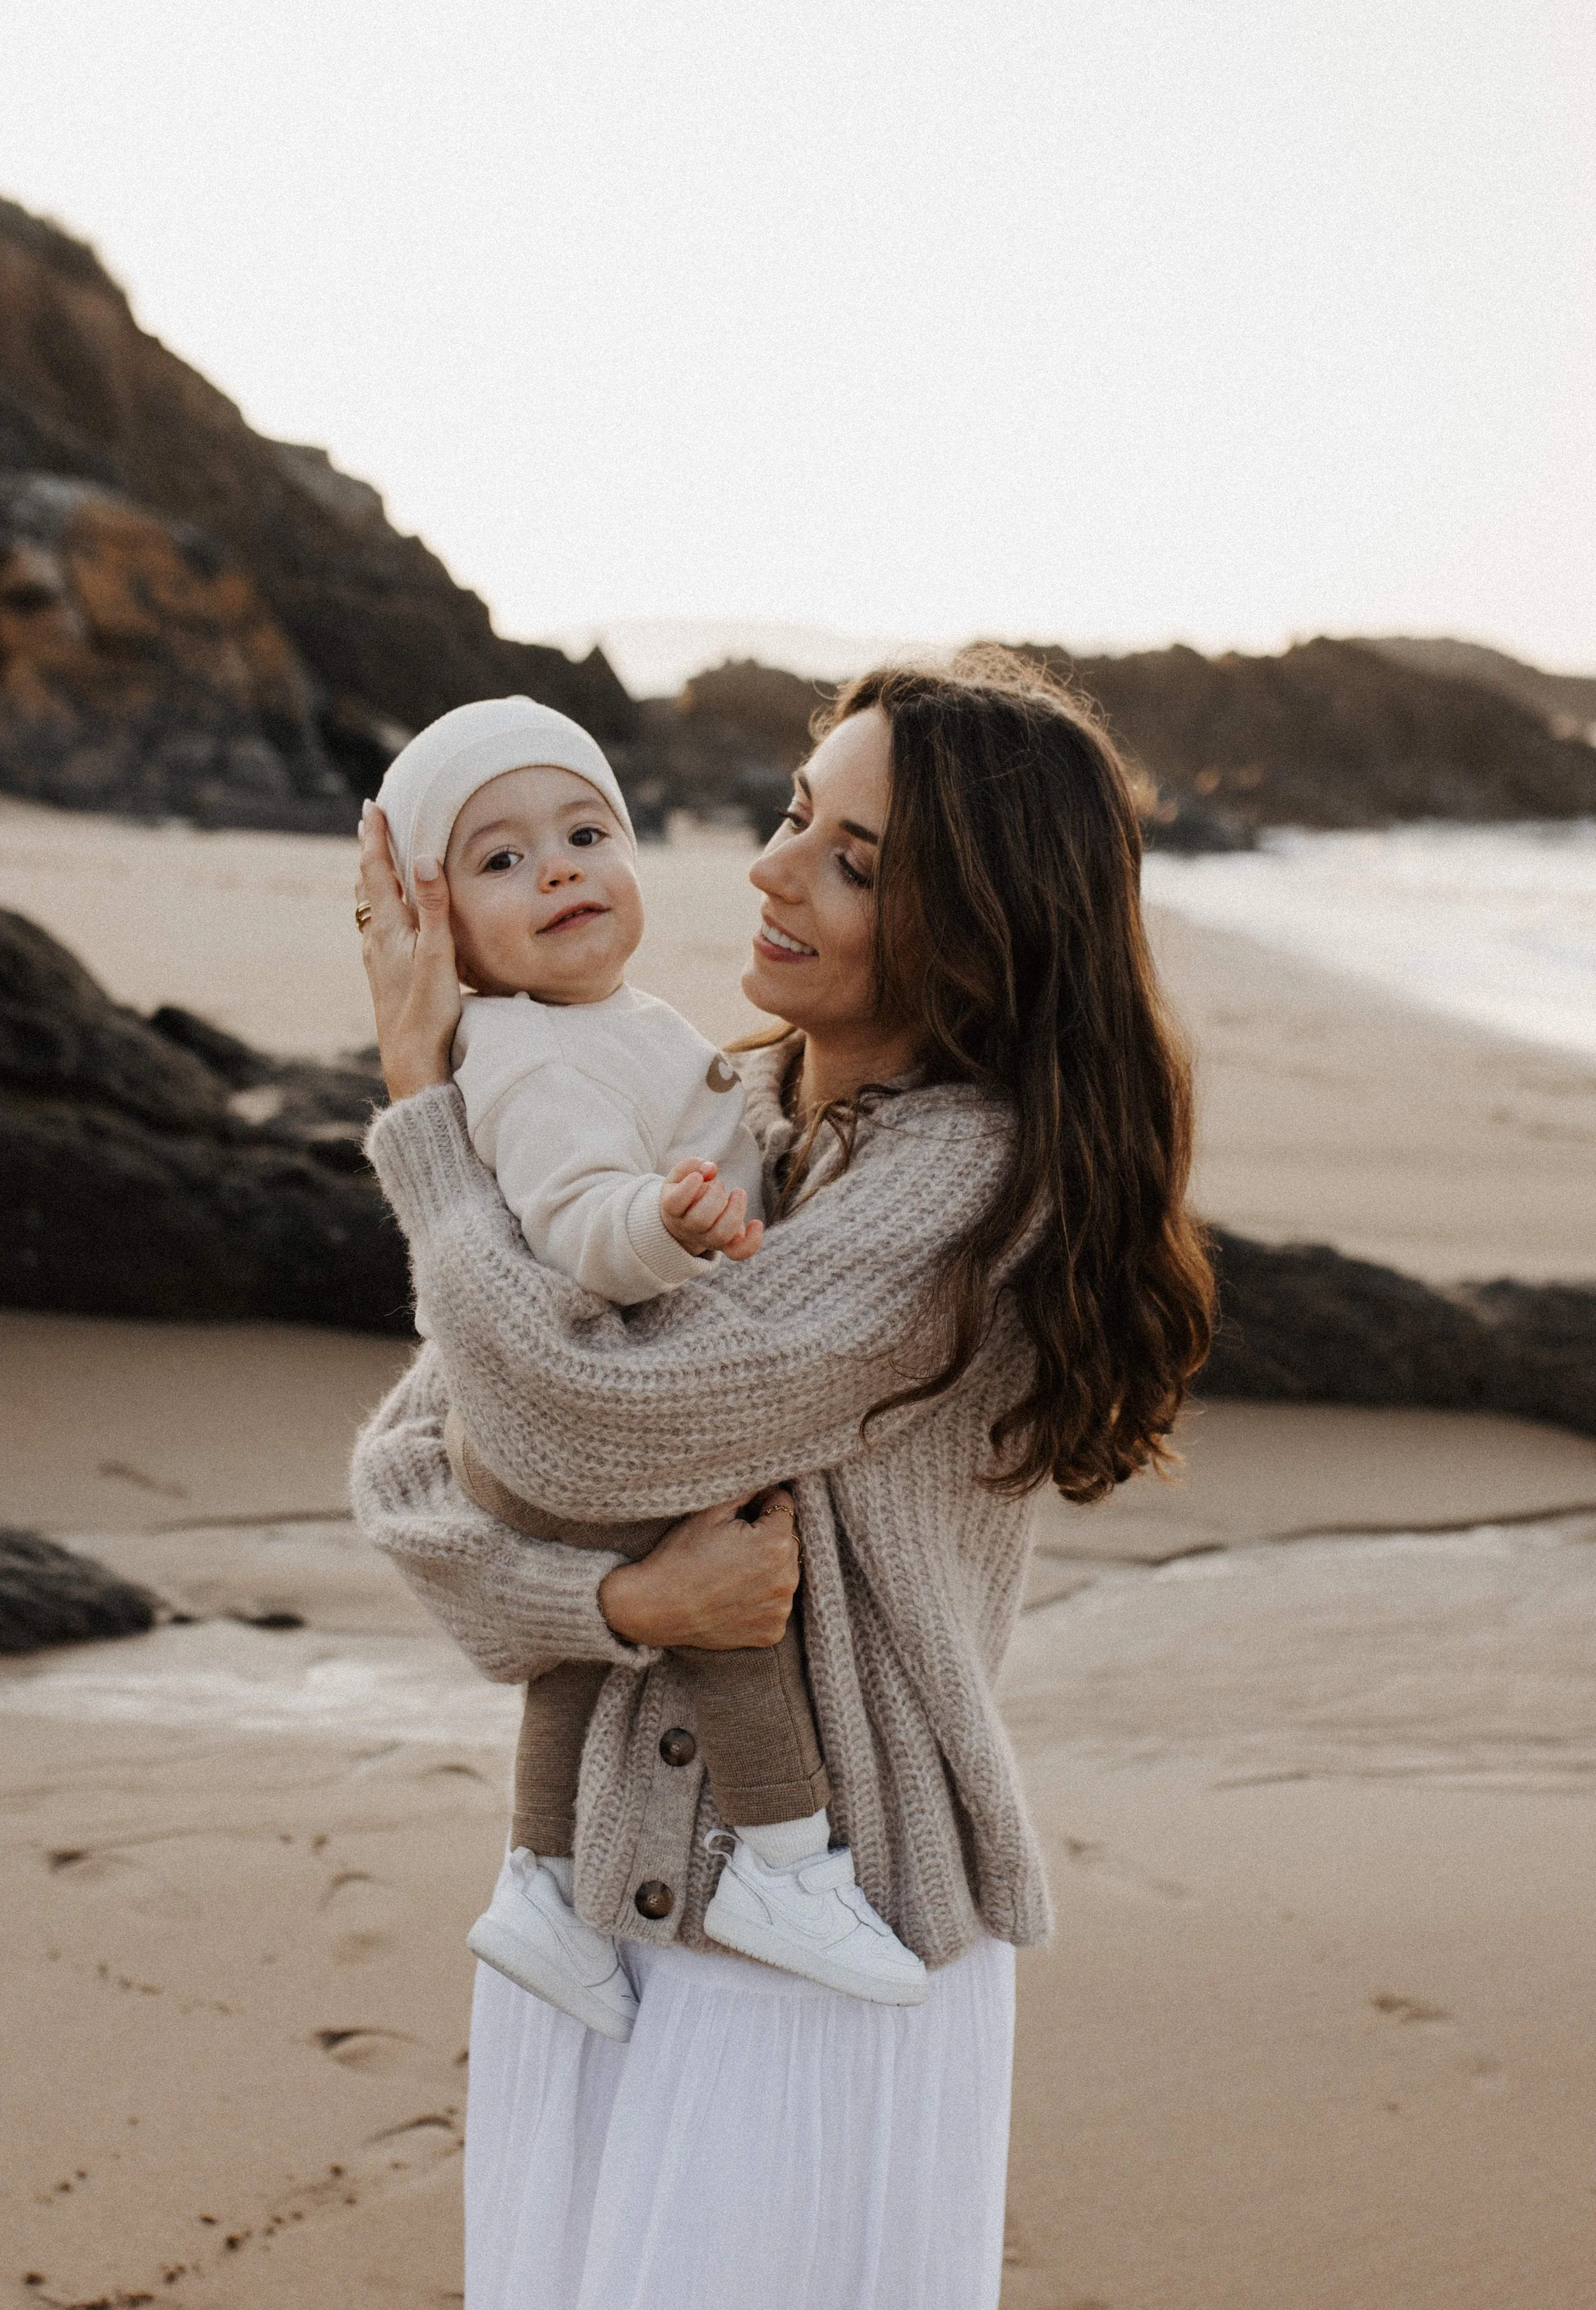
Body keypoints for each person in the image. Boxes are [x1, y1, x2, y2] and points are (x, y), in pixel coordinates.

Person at [351, 649, 1215, 2310]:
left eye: (852, 859)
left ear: (978, 928)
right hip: (587, 1905)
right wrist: (610, 1602)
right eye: (793, 813)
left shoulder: (964, 1188)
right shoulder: (701, 1113)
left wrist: (422, 1109)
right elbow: (410, 1468)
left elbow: (558, 1426)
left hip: (821, 1947)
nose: (765, 867)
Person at [367, 694, 926, 2042]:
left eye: (583, 832)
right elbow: (574, 1218)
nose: (557, 867)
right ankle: (787, 1863)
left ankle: (539, 1883)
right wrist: (659, 1229)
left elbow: (450, 1476)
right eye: (501, 861)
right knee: (733, 1617)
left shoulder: (636, 1028)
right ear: (443, 926)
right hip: (593, 1377)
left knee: (605, 1648)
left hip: (551, 1423)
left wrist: (594, 1601)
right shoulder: (521, 1051)